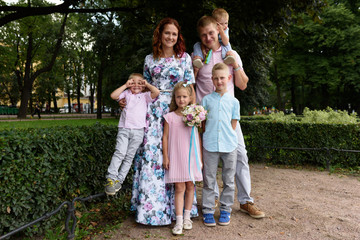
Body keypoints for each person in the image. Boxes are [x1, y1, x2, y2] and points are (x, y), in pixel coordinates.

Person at [194, 16, 266, 219]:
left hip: (230, 118)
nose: (208, 38)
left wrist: (236, 65)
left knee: (240, 157)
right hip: (207, 120)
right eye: (203, 35)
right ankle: (213, 200)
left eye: (211, 33)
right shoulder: (198, 55)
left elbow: (243, 84)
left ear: (218, 30)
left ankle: (246, 201)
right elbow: (190, 83)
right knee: (209, 163)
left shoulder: (230, 52)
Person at [130, 17, 198, 226]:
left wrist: (191, 114)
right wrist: (127, 102)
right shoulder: (149, 59)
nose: (170, 37)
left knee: (178, 154)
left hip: (178, 110)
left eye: (174, 34)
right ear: (160, 34)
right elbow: (142, 89)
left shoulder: (184, 58)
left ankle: (181, 212)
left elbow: (190, 89)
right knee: (154, 157)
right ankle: (153, 211)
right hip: (155, 111)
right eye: (167, 33)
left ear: (178, 37)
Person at [105, 73, 160, 196]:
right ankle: (110, 178)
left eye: (139, 83)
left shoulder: (145, 96)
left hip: (138, 130)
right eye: (132, 82)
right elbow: (113, 95)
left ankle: (119, 180)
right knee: (120, 152)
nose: (136, 85)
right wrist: (125, 85)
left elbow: (156, 92)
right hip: (124, 129)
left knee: (129, 156)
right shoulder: (126, 94)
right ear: (129, 83)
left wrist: (146, 85)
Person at [201, 63, 239, 226]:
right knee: (209, 179)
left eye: (222, 78)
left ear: (228, 78)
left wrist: (226, 136)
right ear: (212, 80)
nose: (219, 81)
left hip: (229, 145)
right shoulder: (206, 100)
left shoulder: (234, 101)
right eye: (216, 78)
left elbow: (234, 122)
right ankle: (208, 210)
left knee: (229, 179)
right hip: (209, 144)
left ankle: (225, 209)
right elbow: (202, 123)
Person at [163, 81, 203, 235]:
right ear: (175, 98)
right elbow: (165, 137)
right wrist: (166, 156)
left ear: (190, 97)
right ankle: (178, 220)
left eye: (184, 97)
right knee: (179, 188)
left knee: (191, 186)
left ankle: (187, 217)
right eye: (178, 97)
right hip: (177, 156)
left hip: (191, 156)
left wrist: (199, 158)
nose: (181, 100)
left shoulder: (193, 115)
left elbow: (197, 137)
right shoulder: (170, 117)